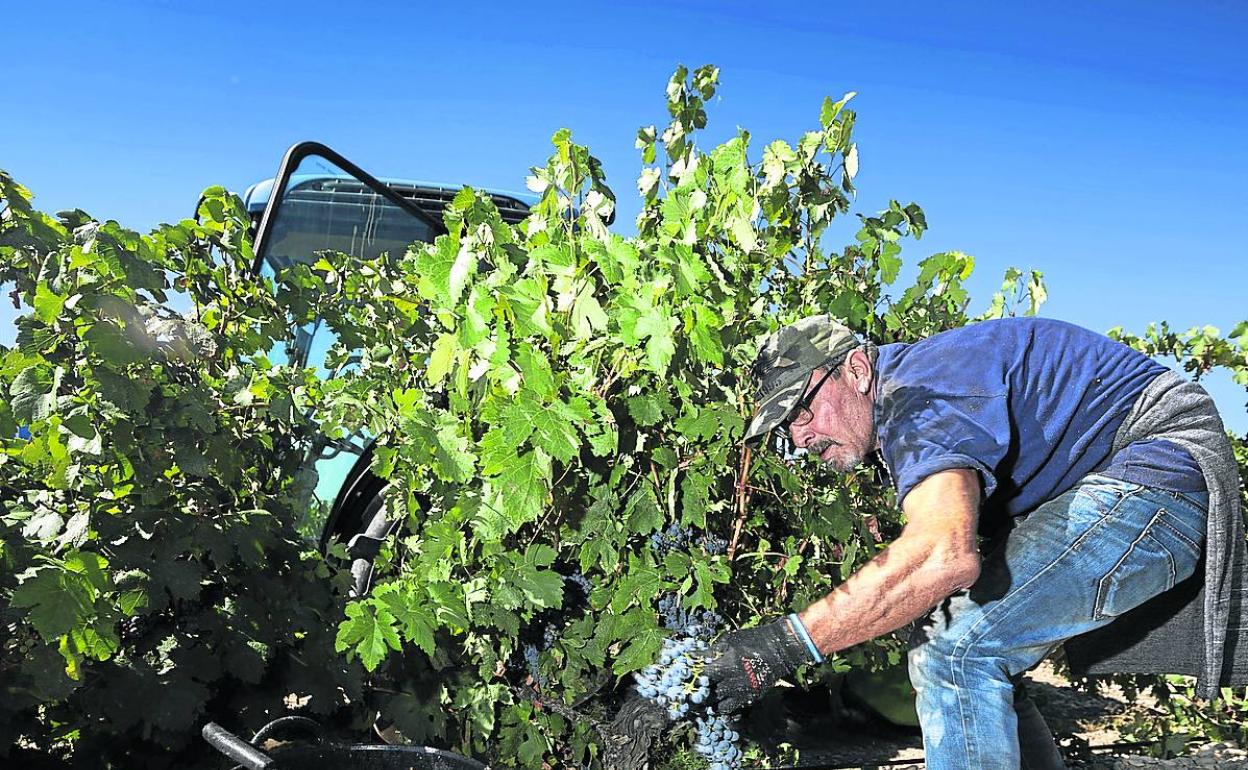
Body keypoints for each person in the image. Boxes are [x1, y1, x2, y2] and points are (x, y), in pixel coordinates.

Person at [696, 314, 1247, 770]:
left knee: (955, 652)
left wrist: (777, 647)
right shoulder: (908, 401)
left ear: (857, 371)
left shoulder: (921, 394)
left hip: (1158, 468)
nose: (799, 435)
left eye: (803, 408)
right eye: (785, 425)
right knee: (968, 648)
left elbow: (942, 555)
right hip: (1127, 476)